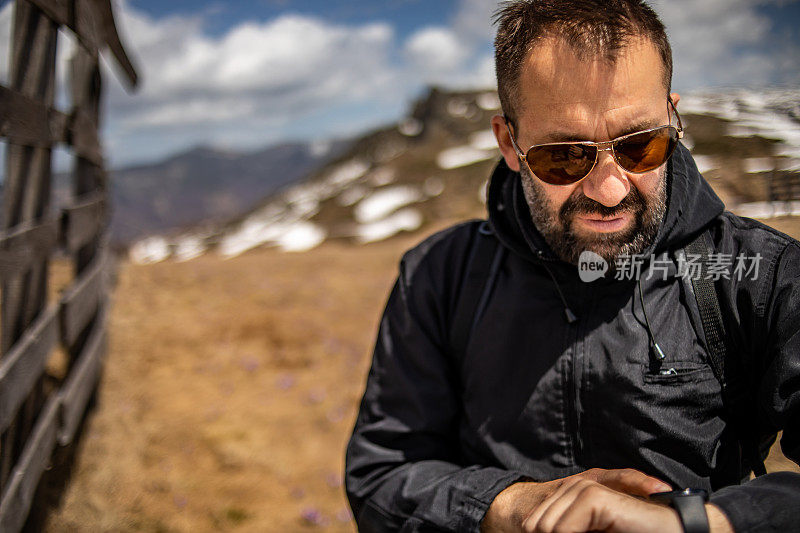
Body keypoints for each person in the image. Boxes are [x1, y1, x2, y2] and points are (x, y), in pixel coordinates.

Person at [344, 1, 800, 531]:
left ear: (673, 117)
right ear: (509, 143)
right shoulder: (437, 276)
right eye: (564, 155)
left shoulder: (760, 274)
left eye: (640, 145)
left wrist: (701, 523)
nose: (609, 190)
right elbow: (381, 474)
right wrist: (507, 506)